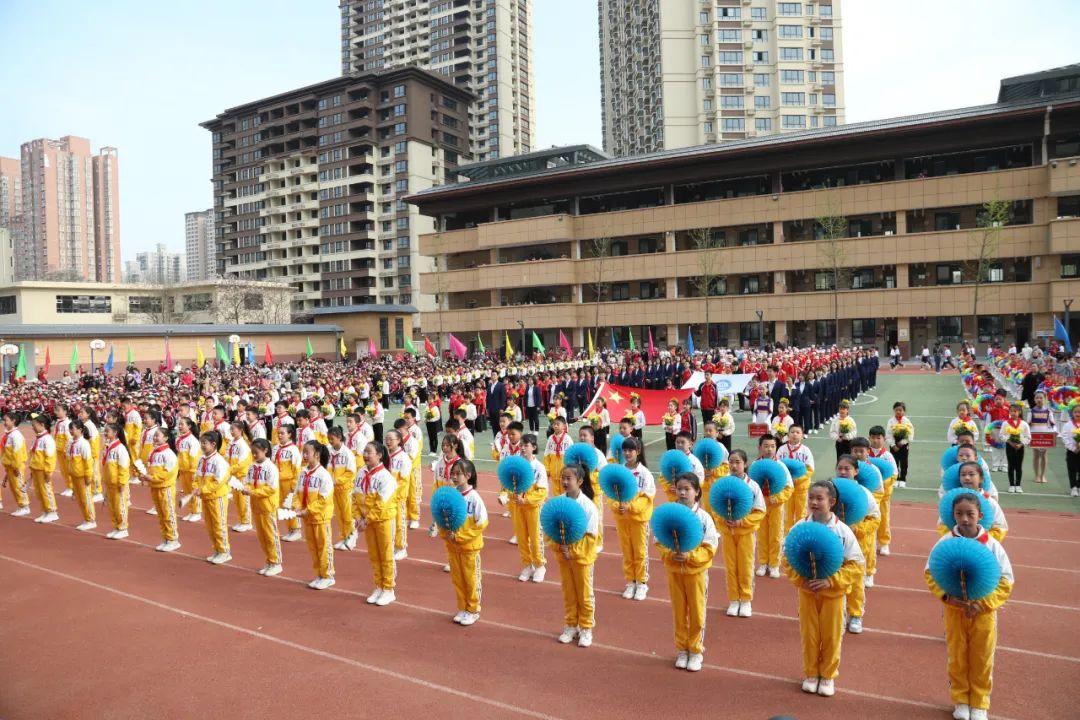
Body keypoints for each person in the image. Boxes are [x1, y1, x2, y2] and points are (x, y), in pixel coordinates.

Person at [925, 492, 1014, 720]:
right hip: (954, 611)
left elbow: (1006, 580)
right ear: (952, 515)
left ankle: (980, 702)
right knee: (957, 656)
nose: (964, 519)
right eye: (959, 514)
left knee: (982, 657)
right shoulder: (945, 543)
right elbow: (931, 573)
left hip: (983, 613)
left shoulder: (992, 546)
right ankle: (961, 699)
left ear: (980, 515)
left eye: (970, 514)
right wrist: (947, 597)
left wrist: (984, 604)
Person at [783, 479, 865, 698]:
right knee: (809, 634)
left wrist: (832, 581)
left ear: (832, 502)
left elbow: (856, 565)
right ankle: (811, 673)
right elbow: (787, 558)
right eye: (811, 498)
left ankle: (827, 675)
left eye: (820, 498)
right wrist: (800, 580)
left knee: (831, 635)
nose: (814, 502)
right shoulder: (799, 528)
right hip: (807, 593)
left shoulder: (842, 531)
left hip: (833, 595)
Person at [660, 472, 719, 672]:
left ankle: (695, 650)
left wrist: (690, 557)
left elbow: (710, 546)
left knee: (697, 612)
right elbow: (659, 541)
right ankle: (682, 649)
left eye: (687, 489)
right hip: (675, 571)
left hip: (696, 573)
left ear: (697, 492)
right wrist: (670, 554)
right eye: (679, 489)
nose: (682, 493)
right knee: (678, 612)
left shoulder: (704, 518)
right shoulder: (669, 514)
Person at [710, 449, 765, 618]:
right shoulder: (722, 484)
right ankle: (734, 599)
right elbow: (715, 508)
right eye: (731, 462)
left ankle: (746, 599)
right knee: (731, 566)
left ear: (745, 464)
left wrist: (743, 521)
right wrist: (722, 519)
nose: (734, 466)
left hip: (746, 534)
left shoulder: (752, 486)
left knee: (746, 566)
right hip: (728, 533)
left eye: (738, 462)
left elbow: (760, 511)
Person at [551, 463, 600, 648]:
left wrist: (573, 551)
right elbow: (550, 530)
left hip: (582, 559)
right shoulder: (558, 502)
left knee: (585, 594)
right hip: (564, 558)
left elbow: (591, 537)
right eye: (562, 478)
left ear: (579, 481)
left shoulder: (588, 507)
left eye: (568, 478)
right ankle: (571, 625)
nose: (564, 482)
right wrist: (559, 546)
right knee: (569, 592)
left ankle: (586, 628)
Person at [439, 457, 488, 626]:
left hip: (469, 548)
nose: (454, 476)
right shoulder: (450, 495)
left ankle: (473, 609)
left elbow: (481, 523)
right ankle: (462, 607)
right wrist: (445, 533)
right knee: (457, 579)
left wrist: (460, 537)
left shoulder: (474, 498)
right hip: (453, 547)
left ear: (468, 475)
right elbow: (442, 519)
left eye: (458, 473)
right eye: (452, 473)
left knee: (471, 579)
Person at [834, 454, 880, 634]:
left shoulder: (864, 493)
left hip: (857, 545)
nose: (843, 472)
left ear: (856, 471)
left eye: (847, 469)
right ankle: (838, 614)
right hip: (834, 543)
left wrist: (857, 529)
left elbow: (875, 519)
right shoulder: (830, 490)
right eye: (840, 468)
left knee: (856, 580)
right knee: (835, 578)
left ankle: (855, 614)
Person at [354, 441, 398, 605]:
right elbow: (355, 496)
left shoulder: (386, 477)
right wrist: (357, 517)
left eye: (369, 452)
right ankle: (379, 586)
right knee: (374, 555)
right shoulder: (361, 473)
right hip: (368, 522)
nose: (365, 455)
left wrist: (366, 519)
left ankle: (388, 589)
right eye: (364, 451)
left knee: (386, 555)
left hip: (383, 521)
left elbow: (381, 504)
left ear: (379, 455)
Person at [612, 437, 656, 601]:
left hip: (639, 520)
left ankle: (642, 583)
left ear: (638, 452)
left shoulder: (645, 474)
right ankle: (631, 581)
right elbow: (612, 494)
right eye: (625, 450)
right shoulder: (619, 472)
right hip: (622, 519)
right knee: (627, 551)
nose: (627, 453)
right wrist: (617, 506)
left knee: (640, 551)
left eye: (630, 450)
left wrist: (631, 507)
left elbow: (647, 497)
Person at [293, 440, 336, 590]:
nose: (304, 455)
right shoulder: (303, 473)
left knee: (324, 547)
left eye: (307, 452)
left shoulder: (324, 475)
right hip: (307, 518)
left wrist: (308, 510)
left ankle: (328, 575)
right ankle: (319, 574)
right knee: (313, 547)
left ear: (317, 454)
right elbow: (297, 493)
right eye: (303, 452)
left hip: (320, 518)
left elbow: (324, 500)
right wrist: (297, 507)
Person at [241, 438, 283, 576]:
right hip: (256, 506)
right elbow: (247, 481)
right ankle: (269, 560)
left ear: (265, 450)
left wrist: (252, 492)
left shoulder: (271, 468)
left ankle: (276, 562)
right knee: (261, 536)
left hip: (268, 507)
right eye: (252, 452)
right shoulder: (252, 467)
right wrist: (245, 487)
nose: (254, 455)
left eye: (256, 452)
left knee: (270, 535)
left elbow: (271, 489)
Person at [755, 434, 793, 579]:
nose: (769, 449)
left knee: (776, 535)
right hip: (760, 506)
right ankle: (763, 562)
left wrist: (777, 498)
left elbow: (789, 487)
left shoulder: (781, 466)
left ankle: (774, 564)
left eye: (772, 446)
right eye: (766, 446)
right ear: (760, 448)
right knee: (761, 535)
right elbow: (750, 486)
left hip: (776, 506)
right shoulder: (755, 466)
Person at [139, 426, 181, 552]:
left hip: (165, 488)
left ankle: (173, 539)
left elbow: (167, 474)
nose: (155, 438)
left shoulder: (169, 454)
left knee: (168, 513)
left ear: (166, 438)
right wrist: (145, 476)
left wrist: (152, 478)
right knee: (161, 515)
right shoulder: (153, 452)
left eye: (158, 435)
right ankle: (166, 538)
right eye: (155, 435)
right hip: (155, 487)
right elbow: (151, 469)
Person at [196, 431, 233, 565]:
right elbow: (197, 476)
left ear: (213, 444)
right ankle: (217, 549)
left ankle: (224, 551)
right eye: (201, 443)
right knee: (210, 525)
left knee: (219, 524)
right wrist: (196, 486)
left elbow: (218, 482)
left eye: (204, 443)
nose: (202, 445)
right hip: (206, 497)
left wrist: (203, 489)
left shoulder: (219, 461)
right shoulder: (202, 459)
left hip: (217, 498)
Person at [777, 424, 815, 533]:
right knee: (787, 513)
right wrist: (787, 479)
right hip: (787, 487)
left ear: (802, 436)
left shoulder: (805, 450)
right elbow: (778, 466)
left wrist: (798, 479)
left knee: (801, 512)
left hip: (801, 488)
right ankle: (787, 535)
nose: (795, 434)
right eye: (792, 432)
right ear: (788, 434)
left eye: (798, 432)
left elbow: (810, 469)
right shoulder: (782, 449)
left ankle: (800, 533)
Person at [328, 426, 358, 551]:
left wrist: (337, 481)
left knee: (348, 515)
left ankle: (351, 539)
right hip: (334, 489)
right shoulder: (329, 451)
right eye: (329, 439)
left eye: (332, 439)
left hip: (345, 489)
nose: (330, 441)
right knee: (339, 515)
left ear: (339, 438)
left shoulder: (347, 454)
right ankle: (343, 536)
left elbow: (351, 472)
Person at [100, 423, 132, 540]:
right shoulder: (108, 447)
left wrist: (122, 483)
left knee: (120, 507)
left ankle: (123, 528)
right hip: (110, 483)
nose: (105, 433)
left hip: (118, 483)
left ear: (115, 433)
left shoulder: (120, 448)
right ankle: (116, 527)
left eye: (107, 431)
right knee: (112, 507)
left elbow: (123, 467)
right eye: (105, 431)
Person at [386, 426, 414, 560]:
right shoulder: (385, 456)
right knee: (389, 523)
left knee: (399, 522)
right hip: (386, 497)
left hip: (398, 497)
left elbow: (403, 480)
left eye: (391, 439)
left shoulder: (403, 458)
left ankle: (402, 548)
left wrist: (394, 493)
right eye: (386, 439)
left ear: (398, 440)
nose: (388, 442)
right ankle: (392, 546)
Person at [27, 414, 59, 523]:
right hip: (36, 469)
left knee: (46, 491)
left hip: (43, 471)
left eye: (34, 425)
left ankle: (52, 512)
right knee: (39, 492)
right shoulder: (38, 438)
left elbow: (50, 457)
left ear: (42, 424)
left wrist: (48, 472)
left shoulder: (47, 439)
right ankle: (45, 511)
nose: (32, 427)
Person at [67, 420, 96, 530]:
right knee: (80, 499)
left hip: (82, 477)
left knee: (86, 499)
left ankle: (91, 520)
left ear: (80, 430)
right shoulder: (70, 442)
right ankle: (86, 518)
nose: (71, 431)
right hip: (74, 475)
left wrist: (88, 476)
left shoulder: (83, 444)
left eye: (73, 429)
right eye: (70, 429)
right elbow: (69, 458)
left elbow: (88, 462)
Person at [0, 411, 29, 515]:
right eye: (4, 420)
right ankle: (21, 506)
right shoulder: (8, 434)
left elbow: (18, 453)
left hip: (16, 466)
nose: (4, 422)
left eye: (6, 420)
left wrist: (16, 467)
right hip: (10, 466)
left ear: (13, 421)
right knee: (13, 487)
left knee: (18, 486)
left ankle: (25, 506)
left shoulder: (16, 435)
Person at [226, 422, 253, 532]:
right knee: (237, 500)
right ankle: (241, 520)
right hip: (234, 477)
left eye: (233, 429)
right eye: (230, 429)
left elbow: (242, 463)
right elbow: (227, 457)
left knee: (243, 500)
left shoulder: (243, 445)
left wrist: (229, 470)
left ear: (240, 430)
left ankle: (246, 522)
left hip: (242, 476)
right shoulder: (231, 443)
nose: (231, 432)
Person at [176, 418, 203, 522]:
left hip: (192, 471)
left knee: (193, 491)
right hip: (183, 470)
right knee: (187, 492)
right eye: (179, 424)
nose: (180, 426)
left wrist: (194, 471)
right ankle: (191, 511)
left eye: (182, 424)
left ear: (189, 426)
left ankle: (197, 512)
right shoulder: (179, 439)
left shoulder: (192, 440)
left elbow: (195, 457)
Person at [1001, 403, 1031, 493]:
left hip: (1020, 447)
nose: (1013, 413)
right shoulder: (1005, 423)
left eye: (1015, 411)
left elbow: (1028, 437)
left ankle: (1018, 485)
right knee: (1011, 465)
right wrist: (1010, 442)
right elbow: (1001, 435)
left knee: (1018, 466)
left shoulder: (1024, 424)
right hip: (1010, 446)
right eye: (1011, 411)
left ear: (1020, 412)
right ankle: (1011, 485)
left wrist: (1021, 444)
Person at [1027, 390, 1055, 484]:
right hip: (1034, 435)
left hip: (1045, 435)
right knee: (1035, 455)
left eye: (1041, 398)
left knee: (1044, 455)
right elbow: (1028, 425)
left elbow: (1053, 424)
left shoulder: (1049, 411)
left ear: (1045, 399)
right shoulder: (1031, 411)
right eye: (1037, 398)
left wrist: (1053, 433)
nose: (1039, 399)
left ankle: (1043, 475)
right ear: (1034, 399)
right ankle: (1036, 475)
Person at [885, 402, 914, 488]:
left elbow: (910, 434)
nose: (898, 412)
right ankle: (896, 479)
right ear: (894, 410)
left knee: (904, 463)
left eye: (900, 410)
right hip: (894, 445)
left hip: (903, 445)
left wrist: (902, 442)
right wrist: (893, 445)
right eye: (896, 410)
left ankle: (903, 479)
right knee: (894, 462)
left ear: (904, 411)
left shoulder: (907, 421)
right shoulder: (891, 421)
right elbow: (888, 434)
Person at [543, 416, 572, 495]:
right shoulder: (550, 439)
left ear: (564, 426)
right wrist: (547, 469)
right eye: (554, 424)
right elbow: (546, 455)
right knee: (555, 494)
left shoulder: (568, 439)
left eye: (558, 424)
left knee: (565, 493)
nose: (555, 426)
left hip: (565, 473)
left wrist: (571, 469)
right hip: (553, 474)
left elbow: (572, 455)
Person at [1060, 404, 1080, 496]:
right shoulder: (1068, 425)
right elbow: (1065, 438)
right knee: (1072, 469)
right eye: (1075, 412)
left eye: (1079, 412)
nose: (1077, 414)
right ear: (1072, 413)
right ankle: (1073, 487)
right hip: (1072, 451)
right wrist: (1073, 448)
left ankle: (1079, 486)